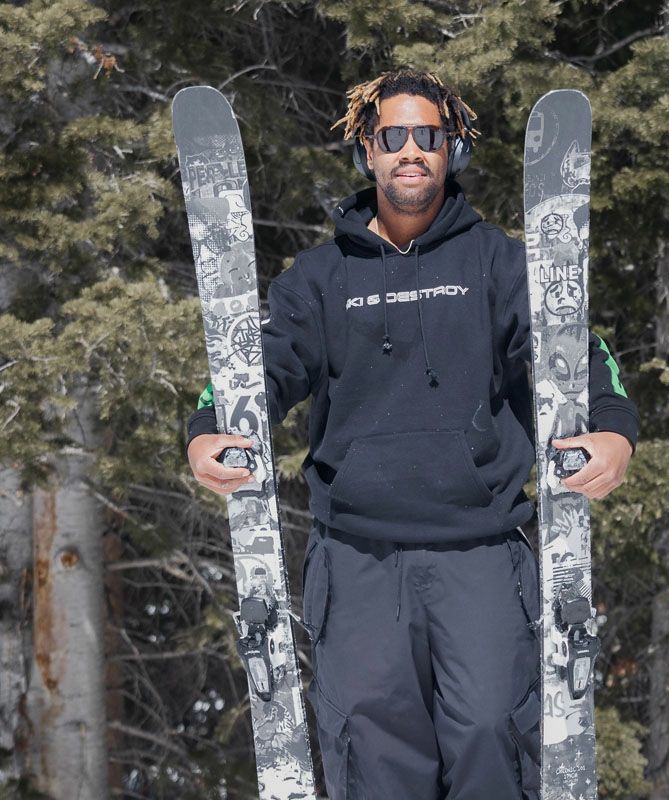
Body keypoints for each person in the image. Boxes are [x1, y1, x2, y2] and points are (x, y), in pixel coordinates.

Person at [186, 70, 639, 800]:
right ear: (367, 149)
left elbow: (578, 350)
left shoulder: (498, 263)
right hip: (357, 560)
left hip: (480, 554)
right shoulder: (319, 278)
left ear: (450, 148)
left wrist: (614, 429)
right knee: (374, 752)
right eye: (392, 135)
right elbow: (255, 365)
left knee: (493, 739)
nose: (410, 151)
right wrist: (210, 428)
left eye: (427, 136)